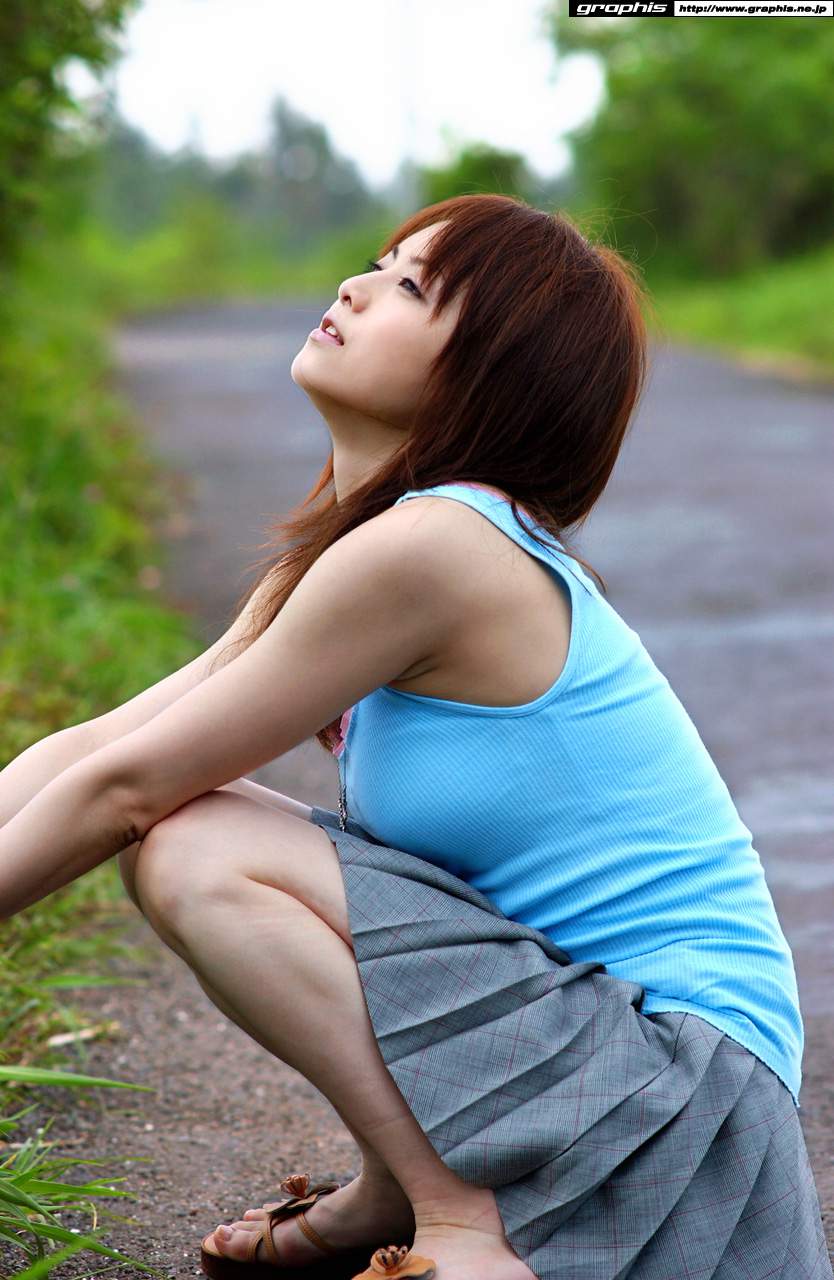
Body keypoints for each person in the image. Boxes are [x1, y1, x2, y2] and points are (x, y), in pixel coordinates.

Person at [1, 194, 830, 1280]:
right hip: (595, 1035)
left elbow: (131, 789)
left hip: (681, 1093)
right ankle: (402, 1187)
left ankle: (460, 1218)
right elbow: (106, 747)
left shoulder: (438, 549)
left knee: (195, 841)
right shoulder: (367, 543)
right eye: (378, 261)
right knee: (187, 824)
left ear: (492, 377)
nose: (353, 287)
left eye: (409, 287)